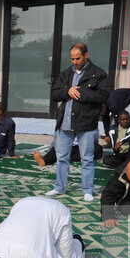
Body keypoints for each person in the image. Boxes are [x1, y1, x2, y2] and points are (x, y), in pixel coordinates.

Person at [46, 43, 109, 201]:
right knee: (61, 157)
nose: (74, 61)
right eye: (72, 58)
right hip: (65, 122)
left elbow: (103, 96)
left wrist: (79, 92)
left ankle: (87, 190)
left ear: (86, 55)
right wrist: (67, 90)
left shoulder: (99, 74)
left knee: (87, 158)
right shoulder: (66, 73)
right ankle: (59, 187)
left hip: (86, 123)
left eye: (78, 58)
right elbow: (54, 93)